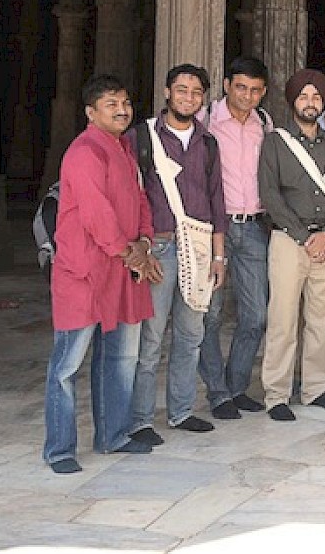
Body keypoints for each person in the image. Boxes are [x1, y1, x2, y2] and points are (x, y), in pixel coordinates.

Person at [44, 75, 159, 474]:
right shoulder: (84, 151)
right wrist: (130, 253)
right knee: (67, 365)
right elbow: (97, 213)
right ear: (91, 113)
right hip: (86, 272)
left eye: (125, 102)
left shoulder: (124, 148)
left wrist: (144, 241)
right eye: (111, 104)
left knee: (121, 357)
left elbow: (141, 200)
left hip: (124, 272)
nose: (122, 110)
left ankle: (113, 435)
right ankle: (59, 450)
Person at [129, 64, 227, 444]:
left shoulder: (208, 143)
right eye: (182, 90)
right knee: (151, 338)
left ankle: (182, 411)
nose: (188, 97)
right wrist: (140, 248)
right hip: (160, 245)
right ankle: (140, 420)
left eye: (196, 92)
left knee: (191, 334)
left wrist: (219, 257)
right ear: (168, 92)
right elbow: (132, 193)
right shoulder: (143, 136)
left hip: (199, 247)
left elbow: (217, 202)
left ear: (203, 98)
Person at [257, 68, 325, 421]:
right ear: (293, 102)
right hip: (289, 240)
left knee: (321, 318)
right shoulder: (275, 143)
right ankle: (277, 394)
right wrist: (304, 237)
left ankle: (315, 389)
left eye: (316, 97)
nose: (310, 103)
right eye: (304, 97)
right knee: (282, 319)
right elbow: (270, 195)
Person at [200, 55, 272, 420]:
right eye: (241, 87)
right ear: (227, 85)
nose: (247, 96)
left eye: (256, 90)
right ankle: (218, 393)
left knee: (256, 315)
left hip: (254, 227)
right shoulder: (205, 121)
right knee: (210, 314)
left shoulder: (265, 124)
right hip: (214, 227)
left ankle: (237, 386)